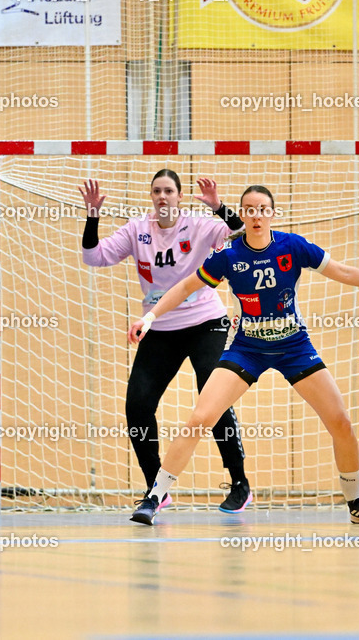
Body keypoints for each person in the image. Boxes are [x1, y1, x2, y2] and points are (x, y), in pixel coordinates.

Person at [128, 185, 359, 526]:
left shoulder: (293, 246)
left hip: (294, 348)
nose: (256, 215)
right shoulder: (228, 255)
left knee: (341, 421)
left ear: (272, 213)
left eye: (262, 209)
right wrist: (149, 317)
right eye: (250, 209)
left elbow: (342, 272)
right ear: (241, 215)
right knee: (200, 418)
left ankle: (357, 502)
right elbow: (184, 287)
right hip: (248, 349)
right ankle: (154, 497)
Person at [81, 171, 253, 512]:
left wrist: (219, 206)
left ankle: (239, 483)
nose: (163, 196)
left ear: (179, 196)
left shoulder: (198, 224)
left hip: (207, 322)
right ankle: (155, 489)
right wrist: (92, 217)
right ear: (151, 196)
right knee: (137, 405)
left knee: (212, 396)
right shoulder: (137, 229)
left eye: (169, 191)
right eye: (157, 191)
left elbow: (240, 232)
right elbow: (93, 256)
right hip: (160, 326)